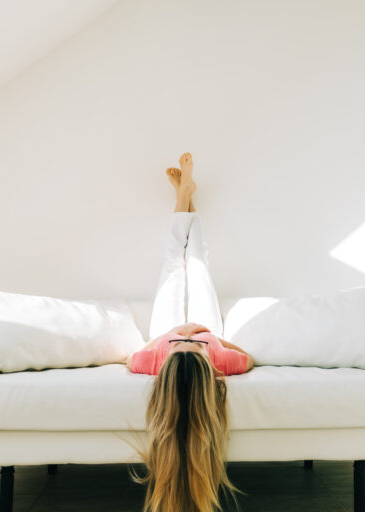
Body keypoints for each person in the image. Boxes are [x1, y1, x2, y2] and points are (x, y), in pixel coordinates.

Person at [127, 152, 254, 512]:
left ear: (167, 362)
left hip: (163, 326)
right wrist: (206, 333)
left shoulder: (156, 359)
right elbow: (248, 358)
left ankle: (184, 195)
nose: (186, 343)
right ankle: (186, 196)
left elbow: (132, 358)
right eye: (191, 347)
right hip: (206, 322)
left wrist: (168, 335)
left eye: (179, 347)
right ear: (209, 364)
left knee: (173, 264)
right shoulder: (220, 360)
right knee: (197, 263)